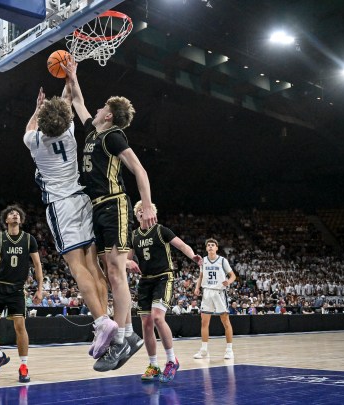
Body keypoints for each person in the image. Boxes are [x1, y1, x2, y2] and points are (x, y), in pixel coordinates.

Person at [65, 59, 157, 372]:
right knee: (107, 271)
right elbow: (77, 100)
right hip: (96, 207)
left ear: (110, 114)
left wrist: (146, 205)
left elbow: (139, 170)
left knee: (116, 272)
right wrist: (72, 75)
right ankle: (123, 334)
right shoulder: (93, 130)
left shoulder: (113, 135)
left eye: (104, 105)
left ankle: (125, 337)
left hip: (115, 204)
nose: (100, 107)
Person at [23, 85, 117, 359]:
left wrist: (37, 107)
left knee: (77, 268)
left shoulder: (36, 142)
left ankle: (101, 322)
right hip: (82, 199)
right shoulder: (69, 132)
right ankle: (106, 318)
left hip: (61, 206)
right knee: (93, 264)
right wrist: (69, 80)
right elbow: (65, 108)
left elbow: (30, 127)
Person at [129, 201, 202, 383]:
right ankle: (153, 365)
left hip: (163, 277)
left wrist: (193, 256)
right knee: (146, 324)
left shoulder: (161, 230)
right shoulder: (134, 236)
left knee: (157, 318)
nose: (141, 212)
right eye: (138, 210)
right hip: (145, 280)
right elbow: (126, 259)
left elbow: (182, 245)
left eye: (144, 209)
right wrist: (126, 263)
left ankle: (172, 360)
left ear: (152, 213)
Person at [0, 205, 43, 383]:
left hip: (16, 289)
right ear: (6, 220)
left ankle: (23, 366)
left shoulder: (29, 239)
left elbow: (37, 265)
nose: (14, 215)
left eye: (17, 214)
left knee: (20, 327)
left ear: (20, 220)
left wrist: (40, 288)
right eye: (11, 214)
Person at [193, 239, 237, 360]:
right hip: (207, 292)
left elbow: (233, 275)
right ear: (206, 248)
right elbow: (201, 276)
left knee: (225, 321)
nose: (211, 247)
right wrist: (197, 287)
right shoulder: (203, 261)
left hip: (219, 292)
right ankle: (204, 350)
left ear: (217, 248)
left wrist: (228, 281)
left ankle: (229, 350)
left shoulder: (223, 260)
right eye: (208, 245)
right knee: (204, 322)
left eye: (213, 245)